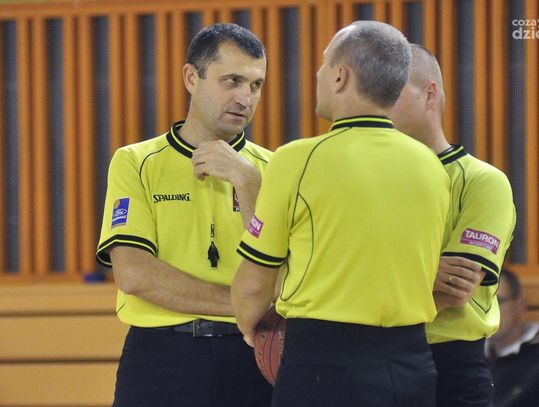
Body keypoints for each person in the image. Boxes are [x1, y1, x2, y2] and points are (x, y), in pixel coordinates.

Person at [231, 21, 450, 407]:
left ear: (340, 76)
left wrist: (253, 328)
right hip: (413, 362)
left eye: (323, 63)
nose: (317, 73)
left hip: (324, 365)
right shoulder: (432, 167)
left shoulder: (297, 160)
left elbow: (253, 284)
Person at [96, 23, 273, 407]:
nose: (245, 97)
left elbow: (287, 275)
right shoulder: (135, 162)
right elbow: (135, 275)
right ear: (192, 77)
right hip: (161, 358)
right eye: (232, 81)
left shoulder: (274, 170)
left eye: (256, 85)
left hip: (253, 357)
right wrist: (248, 303)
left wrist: (249, 185)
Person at [389, 44, 516, 407]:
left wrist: (360, 285)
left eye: (390, 90)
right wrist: (421, 273)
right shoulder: (364, 181)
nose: (376, 103)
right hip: (373, 361)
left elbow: (454, 289)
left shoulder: (483, 181)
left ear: (429, 94)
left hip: (449, 365)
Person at [487, 269, 539, 407]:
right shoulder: (468, 355)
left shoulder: (536, 357)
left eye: (498, 301)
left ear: (519, 306)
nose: (488, 311)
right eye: (483, 303)